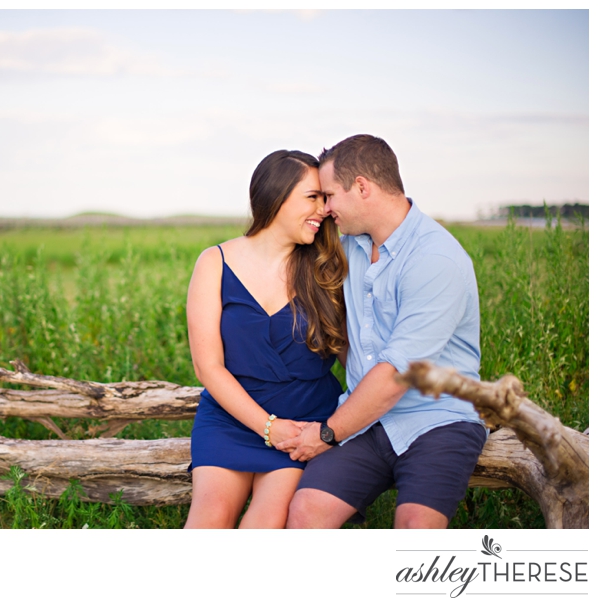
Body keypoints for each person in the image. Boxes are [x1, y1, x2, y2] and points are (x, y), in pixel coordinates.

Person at [279, 135, 487, 529]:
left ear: (361, 187)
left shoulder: (435, 258)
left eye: (329, 195)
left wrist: (326, 433)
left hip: (437, 419)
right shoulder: (348, 248)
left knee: (415, 528)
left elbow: (395, 374)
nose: (325, 207)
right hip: (366, 421)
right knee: (306, 513)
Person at [184, 150, 348, 529]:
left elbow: (355, 356)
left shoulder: (328, 267)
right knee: (207, 521)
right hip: (231, 418)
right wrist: (268, 427)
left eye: (326, 198)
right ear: (276, 196)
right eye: (313, 197)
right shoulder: (215, 262)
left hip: (303, 423)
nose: (324, 208)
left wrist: (317, 430)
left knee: (265, 523)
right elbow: (207, 367)